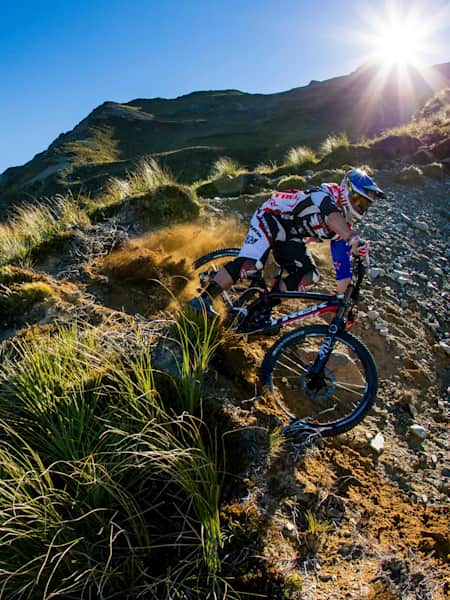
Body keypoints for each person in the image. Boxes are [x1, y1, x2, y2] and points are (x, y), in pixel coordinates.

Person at [189, 168, 386, 318]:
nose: (361, 207)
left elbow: (342, 271)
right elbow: (330, 216)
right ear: (347, 191)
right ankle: (202, 300)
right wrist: (351, 238)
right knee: (252, 264)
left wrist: (344, 308)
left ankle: (258, 312)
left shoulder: (343, 226)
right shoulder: (325, 196)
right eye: (359, 200)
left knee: (309, 275)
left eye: (365, 205)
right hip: (271, 217)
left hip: (290, 235)